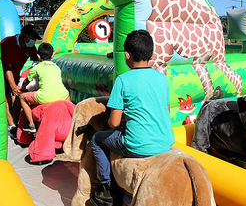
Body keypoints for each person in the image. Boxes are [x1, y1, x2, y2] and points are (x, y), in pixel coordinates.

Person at [89, 30, 175, 205]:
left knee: (97, 139)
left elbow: (113, 123)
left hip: (138, 146)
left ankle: (107, 188)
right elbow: (166, 111)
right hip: (166, 142)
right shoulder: (161, 78)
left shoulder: (123, 80)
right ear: (151, 54)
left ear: (126, 55)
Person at [1, 24, 41, 137]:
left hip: (16, 74)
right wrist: (13, 86)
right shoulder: (8, 43)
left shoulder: (30, 47)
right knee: (7, 100)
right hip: (2, 74)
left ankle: (16, 123)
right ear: (24, 36)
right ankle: (12, 126)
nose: (33, 41)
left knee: (17, 99)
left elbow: (36, 59)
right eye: (32, 38)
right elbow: (7, 68)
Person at [19, 43, 70, 133]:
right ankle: (71, 120)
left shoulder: (36, 67)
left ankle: (31, 125)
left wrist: (23, 88)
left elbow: (27, 81)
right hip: (62, 94)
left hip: (45, 96)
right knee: (67, 97)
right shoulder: (57, 67)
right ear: (53, 55)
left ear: (38, 56)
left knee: (22, 98)